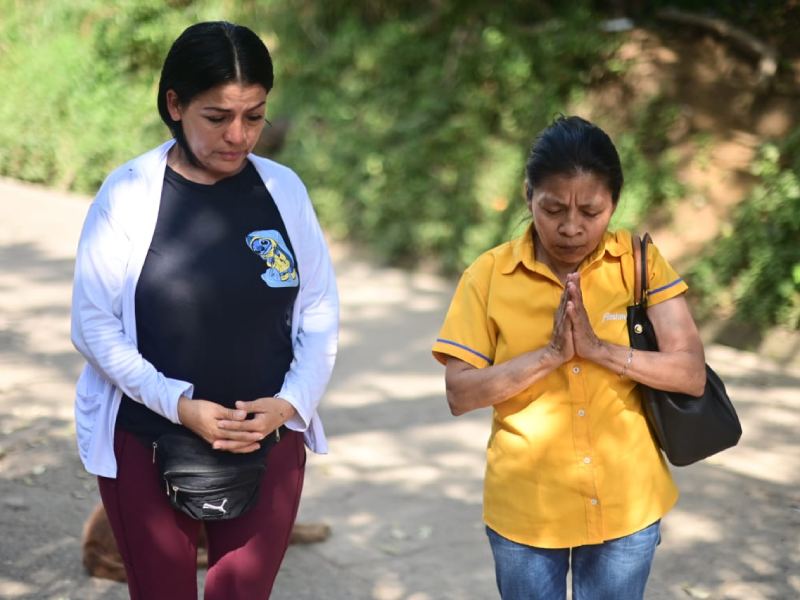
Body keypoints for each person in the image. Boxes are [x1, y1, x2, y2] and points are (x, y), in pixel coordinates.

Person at [70, 21, 339, 599]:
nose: (239, 135)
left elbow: (318, 308)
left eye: (255, 115)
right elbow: (92, 325)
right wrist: (180, 405)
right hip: (148, 438)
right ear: (175, 104)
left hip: (267, 440)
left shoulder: (284, 190)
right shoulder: (128, 194)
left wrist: (288, 404)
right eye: (217, 117)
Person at [432, 115, 706, 600]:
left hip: (627, 502)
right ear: (528, 196)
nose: (572, 227)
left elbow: (690, 374)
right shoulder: (488, 276)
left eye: (592, 211)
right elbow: (461, 393)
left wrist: (599, 350)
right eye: (553, 208)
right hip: (527, 508)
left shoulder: (640, 265)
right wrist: (551, 354)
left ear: (615, 203)